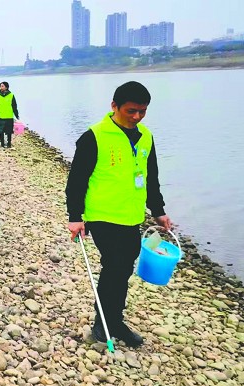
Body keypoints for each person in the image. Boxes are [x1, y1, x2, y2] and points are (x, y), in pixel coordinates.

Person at [65, 81, 172, 349]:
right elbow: (76, 180)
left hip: (132, 215)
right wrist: (75, 216)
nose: (136, 117)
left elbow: (151, 177)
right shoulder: (94, 136)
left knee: (124, 268)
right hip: (102, 215)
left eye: (142, 111)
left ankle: (114, 320)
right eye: (131, 111)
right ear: (114, 106)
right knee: (114, 266)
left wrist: (158, 211)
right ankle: (104, 322)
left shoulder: (146, 136)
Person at [0, 81, 19, 148]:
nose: (0, 87)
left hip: (9, 116)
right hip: (0, 116)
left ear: (6, 87)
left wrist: (16, 115)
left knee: (9, 131)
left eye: (2, 86)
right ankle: (2, 143)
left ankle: (9, 143)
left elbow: (14, 106)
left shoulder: (11, 95)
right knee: (1, 131)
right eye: (0, 86)